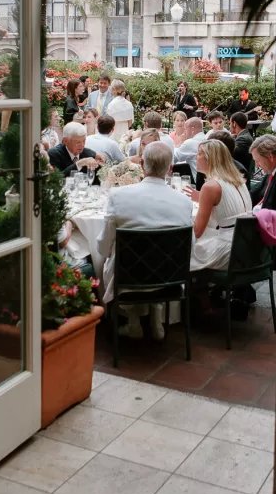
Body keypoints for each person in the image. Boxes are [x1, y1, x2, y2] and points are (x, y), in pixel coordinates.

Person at [97, 141, 193, 340]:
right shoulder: (184, 202)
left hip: (129, 277)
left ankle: (133, 322)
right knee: (157, 256)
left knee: (106, 259)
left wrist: (106, 254)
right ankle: (156, 318)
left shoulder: (118, 196)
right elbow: (188, 248)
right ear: (170, 169)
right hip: (171, 277)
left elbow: (104, 245)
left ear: (142, 165)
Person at [185, 139, 253, 271]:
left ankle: (198, 290)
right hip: (246, 244)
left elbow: (198, 231)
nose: (195, 157)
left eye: (199, 154)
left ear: (210, 159)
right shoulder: (237, 180)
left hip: (229, 249)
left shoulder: (210, 186)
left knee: (183, 254)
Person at [250, 135, 276, 211]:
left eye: (257, 161)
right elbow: (254, 193)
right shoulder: (271, 172)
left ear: (270, 157)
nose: (257, 165)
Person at [173, 116, 207, 181]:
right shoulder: (206, 138)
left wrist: (180, 142)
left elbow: (173, 158)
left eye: (185, 129)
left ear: (192, 129)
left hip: (198, 182)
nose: (184, 132)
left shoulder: (190, 143)